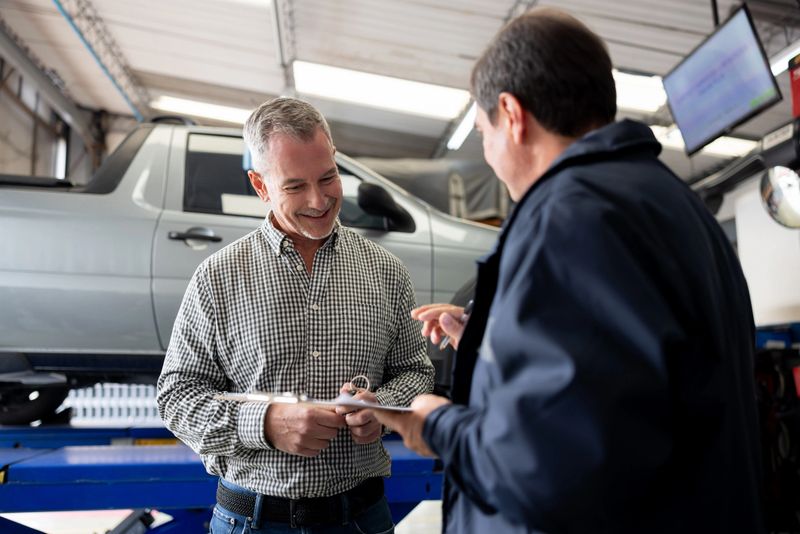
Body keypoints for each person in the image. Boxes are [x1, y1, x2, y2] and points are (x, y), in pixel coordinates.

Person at [372, 7, 764, 534]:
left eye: (484, 132)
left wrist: (436, 425)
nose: (488, 152)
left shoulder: (571, 216)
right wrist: (495, 345)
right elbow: (626, 383)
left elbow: (546, 467)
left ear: (511, 114)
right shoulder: (673, 203)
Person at [157, 97, 434, 533]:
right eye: (294, 186)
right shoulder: (218, 276)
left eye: (328, 177)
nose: (318, 199)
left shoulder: (386, 271)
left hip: (361, 518)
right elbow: (176, 397)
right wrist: (264, 423)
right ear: (260, 185)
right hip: (253, 519)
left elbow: (415, 373)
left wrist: (382, 408)